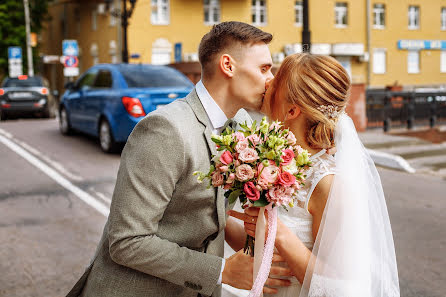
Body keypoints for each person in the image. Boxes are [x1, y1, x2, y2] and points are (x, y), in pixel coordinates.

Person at [66, 21, 292, 297]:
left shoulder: (242, 124)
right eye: (264, 68)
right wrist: (222, 271)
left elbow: (209, 217)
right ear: (228, 66)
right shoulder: (165, 130)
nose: (271, 79)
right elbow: (127, 241)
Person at [229, 53, 400, 297]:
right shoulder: (271, 163)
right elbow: (261, 250)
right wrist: (218, 216)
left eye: (276, 80)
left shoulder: (328, 183)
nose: (268, 83)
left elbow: (341, 286)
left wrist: (280, 234)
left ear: (292, 110)